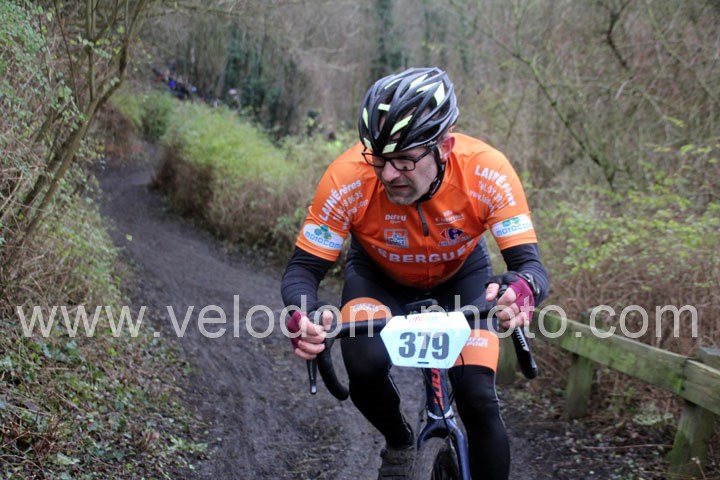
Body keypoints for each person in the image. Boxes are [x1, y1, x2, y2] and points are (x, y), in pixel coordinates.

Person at [281, 67, 549, 480]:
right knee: (364, 364)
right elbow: (303, 268)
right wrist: (304, 314)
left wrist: (523, 288)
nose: (388, 174)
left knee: (477, 397)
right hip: (378, 278)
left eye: (404, 160)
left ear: (445, 147)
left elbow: (530, 267)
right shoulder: (347, 177)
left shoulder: (486, 171)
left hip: (462, 277)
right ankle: (399, 444)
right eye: (379, 159)